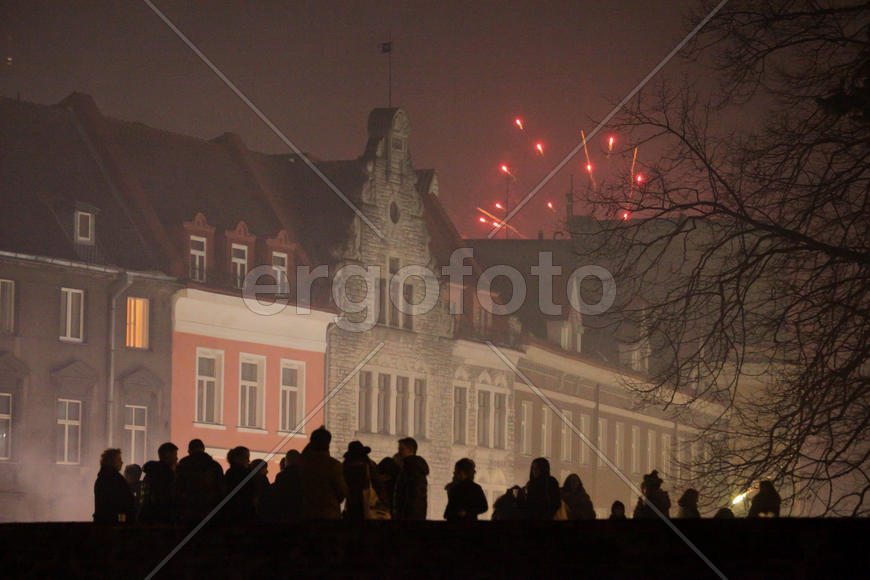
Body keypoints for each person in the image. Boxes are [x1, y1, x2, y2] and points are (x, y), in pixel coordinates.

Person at [300, 426, 348, 520]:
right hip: (329, 513)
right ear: (328, 444)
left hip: (308, 514)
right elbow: (342, 491)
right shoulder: (333, 465)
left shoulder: (304, 464)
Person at [174, 438, 224, 524]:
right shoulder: (214, 466)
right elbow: (221, 489)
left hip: (187, 511)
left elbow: (177, 488)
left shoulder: (183, 465)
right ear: (203, 449)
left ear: (189, 450)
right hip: (209, 510)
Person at [93, 448, 135, 524]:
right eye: (119, 459)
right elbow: (126, 502)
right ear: (111, 461)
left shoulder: (101, 478)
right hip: (114, 524)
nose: (122, 462)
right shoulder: (116, 479)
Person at [140, 442, 178, 524]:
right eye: (175, 454)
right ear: (168, 455)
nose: (177, 458)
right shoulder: (167, 475)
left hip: (146, 517)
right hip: (162, 519)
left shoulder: (149, 473)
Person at [393, 437, 430, 520]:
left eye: (401, 449)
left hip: (409, 516)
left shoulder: (411, 468)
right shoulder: (411, 467)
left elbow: (413, 494)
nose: (399, 452)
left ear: (410, 450)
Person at [266, 449, 303, 523]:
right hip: (301, 513)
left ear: (287, 461)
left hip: (285, 514)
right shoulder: (305, 475)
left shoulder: (282, 476)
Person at [223, 446, 255, 522]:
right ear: (238, 458)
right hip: (244, 513)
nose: (249, 460)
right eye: (246, 458)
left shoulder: (229, 473)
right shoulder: (246, 474)